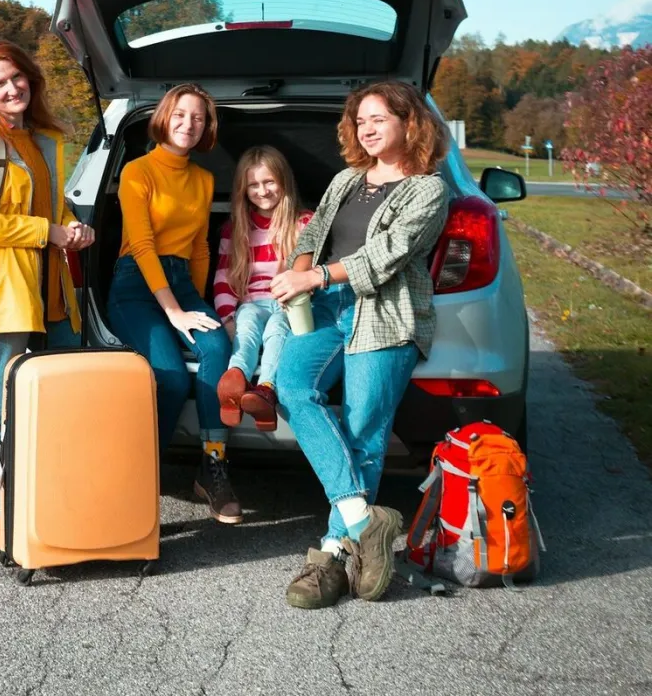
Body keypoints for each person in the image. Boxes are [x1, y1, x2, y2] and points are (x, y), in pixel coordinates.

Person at [269, 81, 450, 609]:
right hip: (326, 309)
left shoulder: (428, 189)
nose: (366, 130)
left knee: (364, 432)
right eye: (360, 121)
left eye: (378, 119)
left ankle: (331, 555)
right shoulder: (348, 178)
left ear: (409, 123)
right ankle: (364, 520)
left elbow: (383, 258)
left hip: (387, 316)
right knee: (293, 386)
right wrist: (295, 278)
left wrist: (315, 277)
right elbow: (312, 236)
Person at [0, 39, 96, 558]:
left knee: (62, 404)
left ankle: (50, 501)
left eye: (16, 77)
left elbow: (54, 208)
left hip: (54, 295)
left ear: (31, 77)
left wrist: (73, 228)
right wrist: (47, 232)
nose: (12, 88)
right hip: (6, 296)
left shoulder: (44, 138)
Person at [106, 83, 241, 524]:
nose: (189, 124)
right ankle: (140, 479)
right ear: (165, 117)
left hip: (181, 280)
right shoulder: (137, 172)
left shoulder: (203, 180)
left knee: (217, 347)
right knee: (171, 379)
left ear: (207, 126)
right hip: (135, 284)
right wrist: (175, 313)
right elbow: (143, 246)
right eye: (181, 114)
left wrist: (199, 304)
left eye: (198, 117)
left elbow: (200, 247)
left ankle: (212, 465)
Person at [213, 146, 312, 432]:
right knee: (245, 328)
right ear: (243, 190)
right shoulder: (236, 229)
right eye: (253, 185)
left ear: (284, 181)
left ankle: (264, 387)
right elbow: (223, 280)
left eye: (269, 182)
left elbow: (311, 275)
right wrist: (227, 318)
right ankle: (236, 378)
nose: (262, 190)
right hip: (251, 303)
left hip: (287, 305)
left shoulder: (303, 222)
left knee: (277, 331)